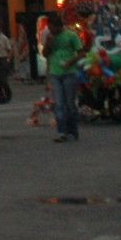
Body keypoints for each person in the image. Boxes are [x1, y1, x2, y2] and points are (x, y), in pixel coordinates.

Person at [46, 13, 85, 143]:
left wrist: (70, 62)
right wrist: (48, 43)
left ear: (58, 26)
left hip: (69, 72)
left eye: (52, 28)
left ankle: (72, 130)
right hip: (55, 73)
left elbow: (81, 53)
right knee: (59, 104)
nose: (50, 30)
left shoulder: (71, 36)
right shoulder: (50, 37)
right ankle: (62, 132)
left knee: (69, 104)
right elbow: (45, 54)